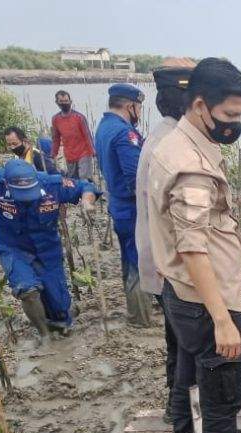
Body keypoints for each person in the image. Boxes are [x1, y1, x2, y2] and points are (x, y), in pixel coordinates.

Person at [148, 57, 241, 433]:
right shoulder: (192, 166)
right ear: (200, 105)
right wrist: (222, 320)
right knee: (222, 391)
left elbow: (199, 226)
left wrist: (239, 250)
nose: (235, 125)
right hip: (206, 300)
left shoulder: (178, 143)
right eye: (230, 116)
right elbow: (193, 245)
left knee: (186, 383)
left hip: (181, 293)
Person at [0, 159, 98, 340]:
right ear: (7, 185)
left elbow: (86, 186)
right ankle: (44, 337)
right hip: (12, 245)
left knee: (60, 314)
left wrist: (88, 203)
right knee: (27, 290)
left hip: (47, 248)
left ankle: (63, 312)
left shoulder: (53, 185)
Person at [136, 58, 195, 423]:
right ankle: (179, 415)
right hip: (175, 268)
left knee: (178, 343)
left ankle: (177, 412)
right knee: (186, 347)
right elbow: (185, 226)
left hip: (165, 264)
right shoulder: (173, 146)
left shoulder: (161, 137)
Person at [96, 83, 153, 327]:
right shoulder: (124, 133)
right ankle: (140, 318)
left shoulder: (103, 127)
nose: (139, 112)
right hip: (131, 207)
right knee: (139, 261)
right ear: (131, 106)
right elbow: (136, 176)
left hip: (119, 205)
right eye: (139, 107)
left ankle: (137, 311)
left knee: (130, 258)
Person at [51, 90, 96, 180]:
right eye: (61, 102)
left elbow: (87, 135)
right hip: (69, 155)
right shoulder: (56, 119)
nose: (64, 103)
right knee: (73, 181)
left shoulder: (79, 117)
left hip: (84, 153)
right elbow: (56, 138)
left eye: (66, 101)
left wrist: (93, 152)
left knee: (85, 179)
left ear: (70, 102)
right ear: (57, 103)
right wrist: (53, 153)